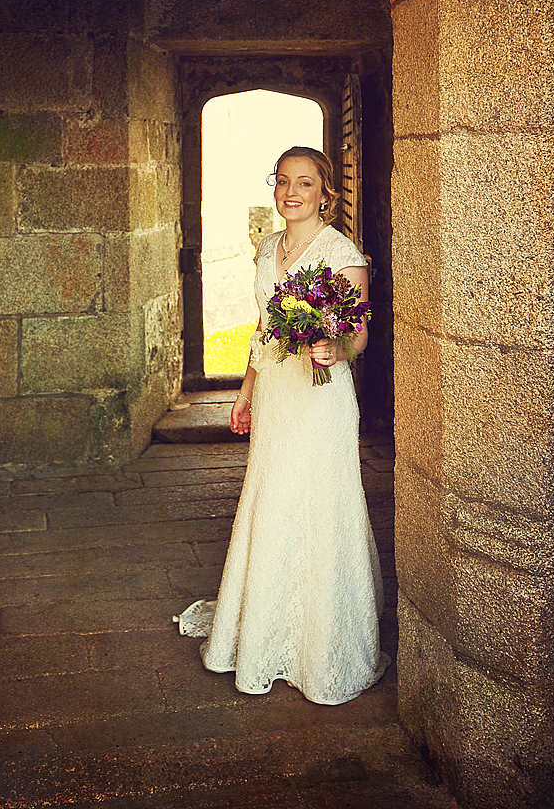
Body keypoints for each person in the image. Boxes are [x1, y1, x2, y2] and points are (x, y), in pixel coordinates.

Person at [179, 145, 389, 705]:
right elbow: (263, 328)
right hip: (275, 395)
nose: (290, 192)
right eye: (282, 182)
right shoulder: (269, 247)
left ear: (326, 192)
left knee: (318, 505)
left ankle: (321, 645)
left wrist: (332, 347)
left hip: (319, 403)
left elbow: (359, 335)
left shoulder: (343, 254)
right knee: (270, 500)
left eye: (304, 183)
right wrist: (245, 392)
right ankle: (267, 630)